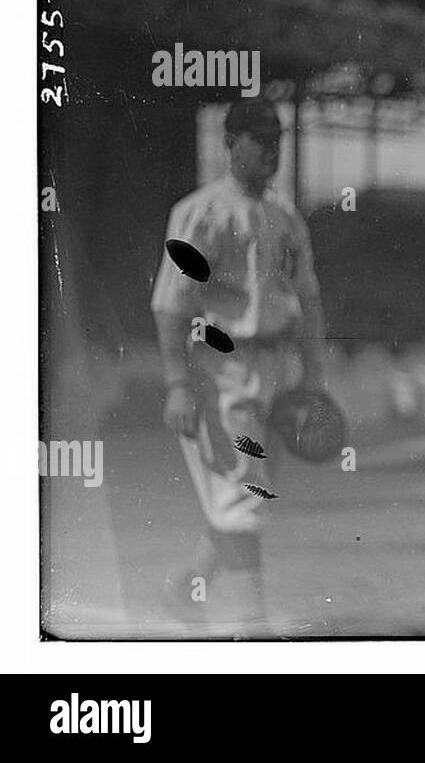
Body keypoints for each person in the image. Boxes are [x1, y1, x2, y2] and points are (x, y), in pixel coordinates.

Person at [150, 100, 325, 633]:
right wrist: (178, 384)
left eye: (277, 137)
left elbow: (309, 300)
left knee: (249, 492)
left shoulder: (286, 216)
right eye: (257, 137)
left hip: (274, 365)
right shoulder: (201, 212)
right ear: (230, 143)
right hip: (217, 368)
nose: (271, 148)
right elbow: (171, 304)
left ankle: (184, 588)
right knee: (241, 499)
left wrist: (312, 379)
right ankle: (255, 625)